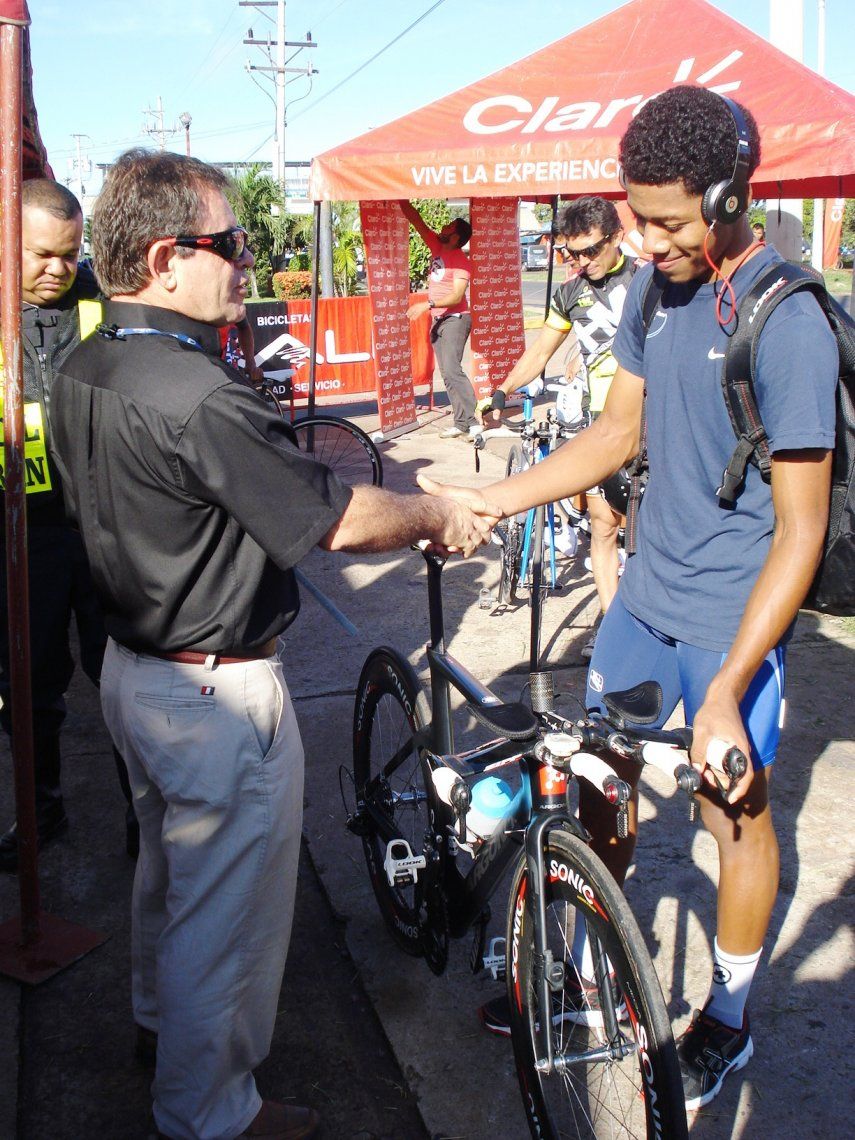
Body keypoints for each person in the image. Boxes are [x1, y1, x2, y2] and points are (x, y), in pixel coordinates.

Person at [49, 149, 493, 1140]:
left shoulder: (84, 362)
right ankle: (208, 1111)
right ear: (165, 258)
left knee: (169, 881)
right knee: (226, 920)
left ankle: (162, 1033)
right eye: (231, 242)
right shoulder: (197, 392)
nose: (247, 259)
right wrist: (435, 513)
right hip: (211, 693)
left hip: (135, 670)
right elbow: (335, 519)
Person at [420, 86, 837, 1110]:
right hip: (643, 603)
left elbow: (802, 531)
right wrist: (493, 498)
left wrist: (731, 688)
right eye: (635, 218)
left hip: (731, 625)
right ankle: (582, 968)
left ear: (730, 198)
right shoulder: (653, 290)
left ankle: (727, 1021)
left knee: (733, 814)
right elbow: (615, 436)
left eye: (667, 221)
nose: (645, 241)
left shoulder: (789, 322)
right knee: (596, 784)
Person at [0, 178, 136, 872]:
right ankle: (40, 809)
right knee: (29, 684)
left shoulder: (102, 301)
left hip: (105, 523)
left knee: (123, 676)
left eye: (70, 253)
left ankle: (144, 815)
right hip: (27, 531)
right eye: (41, 254)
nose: (58, 267)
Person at [478, 197, 637, 658]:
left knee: (645, 538)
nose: (582, 262)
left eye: (591, 251)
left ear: (617, 237)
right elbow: (539, 353)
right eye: (572, 253)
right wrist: (502, 390)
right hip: (601, 424)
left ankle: (649, 631)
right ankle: (613, 630)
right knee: (602, 529)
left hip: (651, 425)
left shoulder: (647, 282)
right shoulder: (569, 293)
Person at [398, 201, 478, 439]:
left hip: (455, 318)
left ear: (456, 237)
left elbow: (457, 296)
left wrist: (428, 304)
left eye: (448, 227)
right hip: (439, 320)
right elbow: (416, 220)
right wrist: (400, 196)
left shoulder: (461, 261)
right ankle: (461, 422)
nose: (443, 227)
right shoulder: (437, 246)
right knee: (446, 373)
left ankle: (474, 421)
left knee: (452, 370)